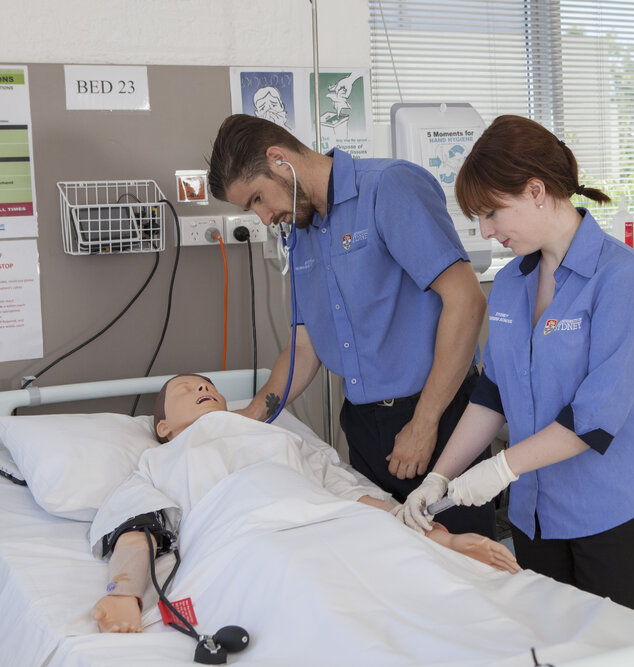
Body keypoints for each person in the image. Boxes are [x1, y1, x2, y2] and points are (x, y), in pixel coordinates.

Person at [397, 115, 634, 616]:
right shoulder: (509, 284)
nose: (485, 231)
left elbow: (594, 416)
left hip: (616, 513)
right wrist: (438, 477)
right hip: (535, 518)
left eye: (492, 213)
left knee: (616, 654)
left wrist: (500, 468)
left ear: (535, 190)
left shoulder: (620, 278)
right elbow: (494, 395)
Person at [207, 114, 493, 538]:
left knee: (465, 572)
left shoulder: (389, 187)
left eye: (257, 199)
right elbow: (304, 348)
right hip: (364, 428)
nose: (265, 217)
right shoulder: (301, 230)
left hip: (436, 415)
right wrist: (247, 417)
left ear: (278, 159)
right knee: (385, 565)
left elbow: (466, 301)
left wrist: (424, 422)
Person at [91, 374, 518, 633]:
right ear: (163, 426)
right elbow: (137, 529)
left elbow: (347, 491)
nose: (203, 387)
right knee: (314, 590)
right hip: (246, 531)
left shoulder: (279, 436)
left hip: (327, 517)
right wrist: (124, 592)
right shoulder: (157, 459)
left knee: (404, 573)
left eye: (209, 385)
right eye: (187, 389)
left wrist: (439, 538)